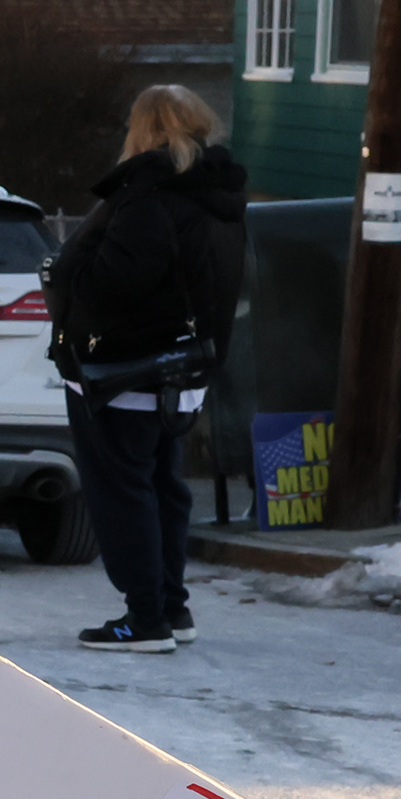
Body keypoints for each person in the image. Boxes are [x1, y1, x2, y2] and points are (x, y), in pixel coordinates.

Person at [45, 85, 248, 652]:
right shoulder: (220, 194)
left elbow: (113, 283)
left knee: (123, 491)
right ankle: (171, 606)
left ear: (144, 130)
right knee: (164, 486)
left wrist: (69, 269)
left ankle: (144, 618)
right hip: (185, 370)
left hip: (124, 371)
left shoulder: (146, 196)